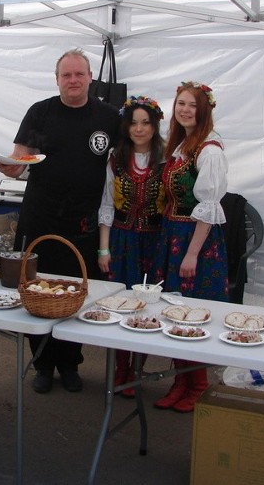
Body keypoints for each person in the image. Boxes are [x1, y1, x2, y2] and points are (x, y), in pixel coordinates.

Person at [0, 48, 119, 394]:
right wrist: (9, 166)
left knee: (77, 291)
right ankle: (43, 363)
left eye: (79, 74)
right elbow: (20, 160)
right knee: (36, 290)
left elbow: (128, 158)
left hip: (84, 221)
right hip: (40, 216)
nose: (73, 80)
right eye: (67, 75)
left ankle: (70, 362)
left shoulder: (109, 117)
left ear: (91, 77)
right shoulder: (41, 112)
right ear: (57, 79)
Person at [153, 81, 228, 413]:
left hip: (193, 240)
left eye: (191, 105)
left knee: (192, 314)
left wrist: (192, 254)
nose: (184, 109)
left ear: (204, 110)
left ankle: (198, 383)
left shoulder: (209, 150)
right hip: (173, 235)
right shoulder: (183, 144)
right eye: (180, 103)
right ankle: (181, 380)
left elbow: (209, 206)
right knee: (173, 310)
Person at [97, 95, 165, 397]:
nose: (139, 129)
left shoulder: (167, 160)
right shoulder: (115, 158)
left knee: (147, 306)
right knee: (120, 304)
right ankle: (119, 368)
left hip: (153, 242)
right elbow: (107, 204)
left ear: (154, 126)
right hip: (122, 241)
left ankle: (136, 368)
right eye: (134, 123)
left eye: (146, 123)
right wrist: (103, 248)